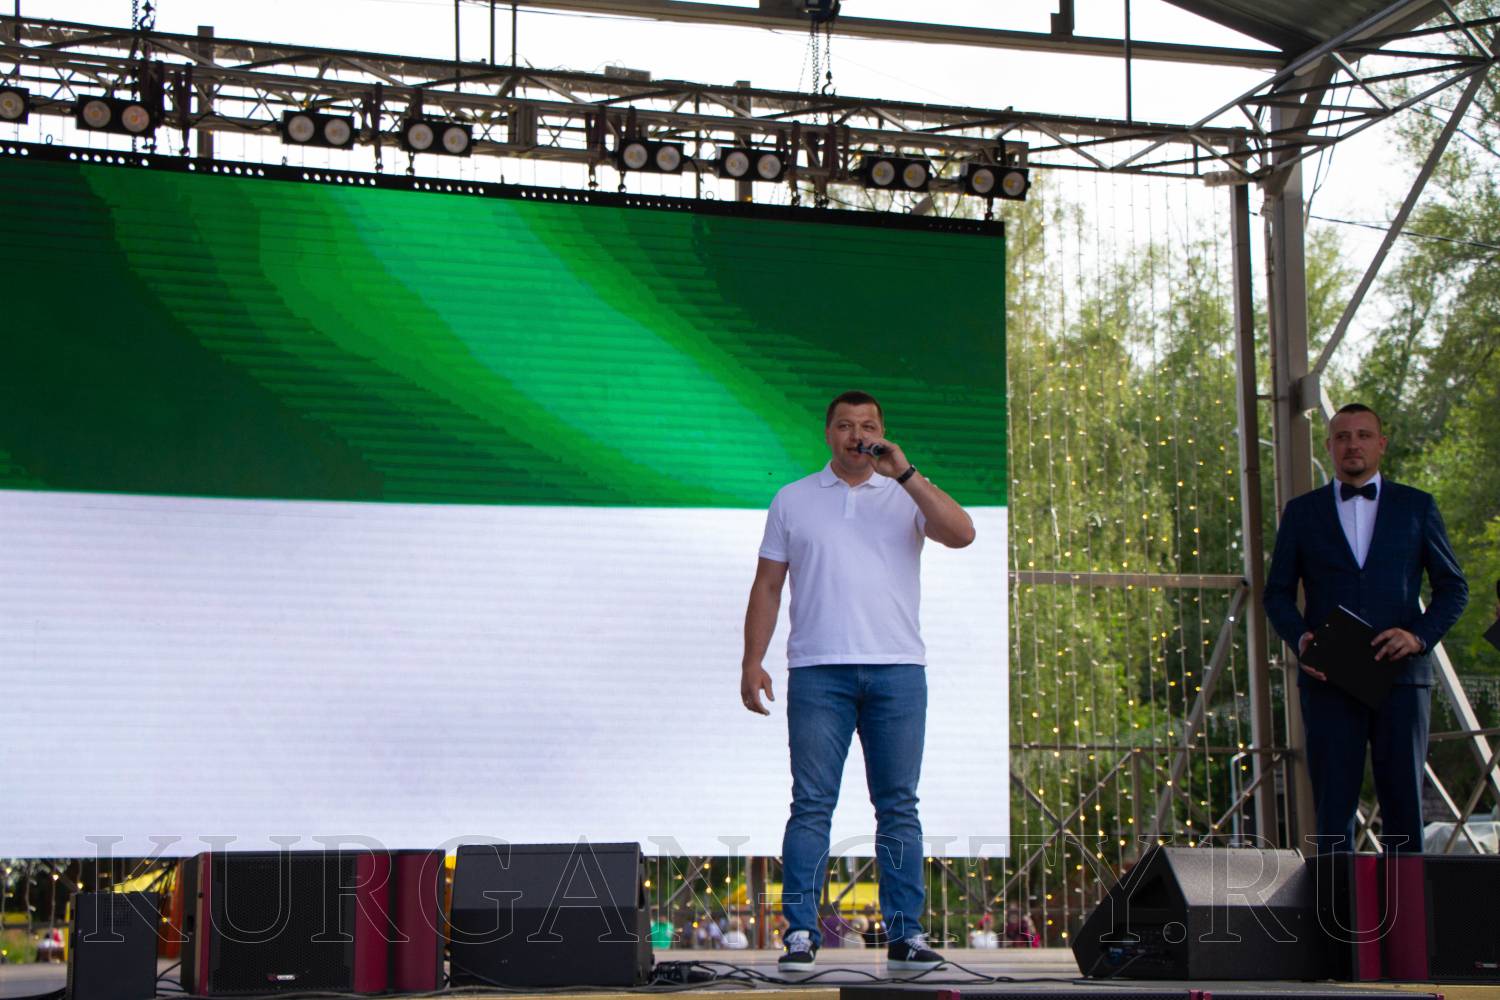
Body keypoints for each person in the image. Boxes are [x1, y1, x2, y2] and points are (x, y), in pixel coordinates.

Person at [740, 390, 976, 973]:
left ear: (882, 433)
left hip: (898, 669)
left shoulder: (907, 493)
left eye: (868, 426)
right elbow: (768, 585)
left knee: (898, 807)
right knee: (811, 805)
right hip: (818, 670)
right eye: (845, 425)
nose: (857, 435)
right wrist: (752, 660)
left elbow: (962, 533)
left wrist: (907, 474)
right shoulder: (793, 498)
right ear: (828, 433)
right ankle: (801, 931)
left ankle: (906, 934)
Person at [1264, 403, 1468, 853]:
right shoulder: (1301, 512)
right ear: (1329, 447)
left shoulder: (1417, 507)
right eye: (1342, 437)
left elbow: (1454, 588)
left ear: (1381, 444)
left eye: (1362, 435)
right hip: (1328, 676)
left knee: (1405, 808)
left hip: (1402, 676)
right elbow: (1276, 593)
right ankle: (1334, 902)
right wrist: (1301, 640)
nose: (1352, 444)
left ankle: (1405, 903)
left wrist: (1417, 636)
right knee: (1332, 810)